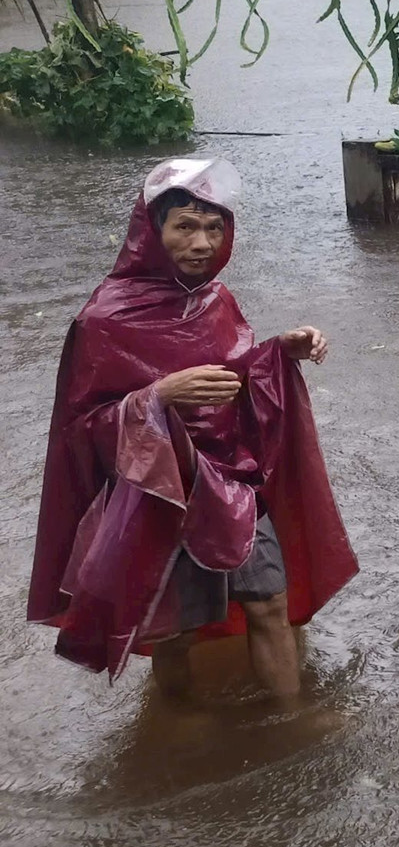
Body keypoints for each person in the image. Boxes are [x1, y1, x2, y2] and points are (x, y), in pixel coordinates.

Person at [28, 158, 357, 699]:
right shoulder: (103, 319)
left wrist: (280, 351)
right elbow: (81, 431)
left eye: (214, 227)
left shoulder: (216, 299)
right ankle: (183, 727)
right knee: (173, 629)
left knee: (270, 601)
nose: (201, 242)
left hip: (232, 480)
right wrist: (157, 398)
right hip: (159, 493)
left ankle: (294, 722)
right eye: (185, 226)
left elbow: (233, 378)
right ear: (152, 232)